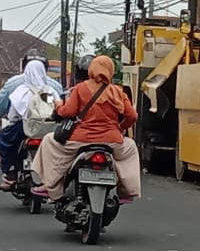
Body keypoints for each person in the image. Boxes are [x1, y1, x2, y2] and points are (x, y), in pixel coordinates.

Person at [30, 55, 141, 203]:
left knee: (49, 141)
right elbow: (132, 116)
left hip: (80, 141)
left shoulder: (81, 88)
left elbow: (68, 112)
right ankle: (127, 191)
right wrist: (120, 128)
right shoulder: (118, 91)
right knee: (131, 148)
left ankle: (51, 187)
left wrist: (58, 106)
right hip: (112, 141)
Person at [0, 59, 61, 190]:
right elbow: (59, 107)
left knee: (2, 140)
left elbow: (13, 116)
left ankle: (9, 174)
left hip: (24, 128)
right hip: (48, 129)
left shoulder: (21, 90)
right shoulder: (50, 91)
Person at [0, 52, 64, 120]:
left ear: (25, 68)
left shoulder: (15, 85)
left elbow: (0, 106)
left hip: (20, 126)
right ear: (45, 69)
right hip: (47, 127)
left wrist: (2, 115)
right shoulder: (54, 87)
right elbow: (60, 106)